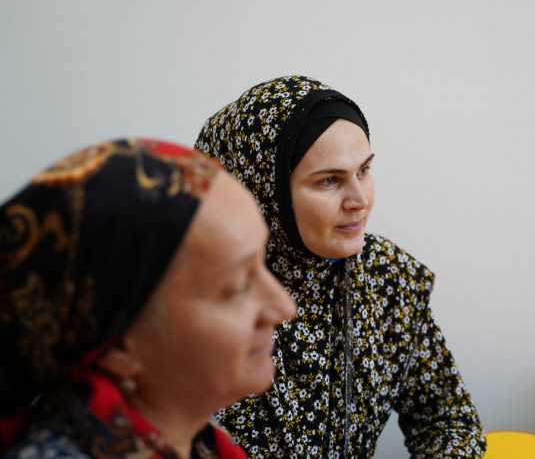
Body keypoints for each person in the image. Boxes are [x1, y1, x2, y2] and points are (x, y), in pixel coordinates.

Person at [195, 75, 486, 458]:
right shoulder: (199, 299)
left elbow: (448, 421)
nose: (359, 200)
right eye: (329, 181)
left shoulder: (388, 277)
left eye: (364, 170)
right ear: (264, 191)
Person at [0, 138, 296, 458]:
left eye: (262, 264)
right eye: (237, 286)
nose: (285, 308)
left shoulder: (198, 445)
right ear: (118, 348)